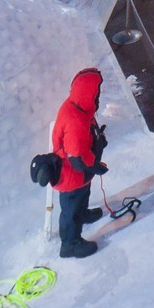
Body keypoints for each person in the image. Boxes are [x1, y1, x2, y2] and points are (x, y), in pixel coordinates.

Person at [51, 67, 109, 259]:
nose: (98, 96)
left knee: (82, 197)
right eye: (96, 93)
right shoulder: (75, 120)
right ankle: (70, 244)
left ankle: (82, 214)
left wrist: (97, 141)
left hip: (80, 178)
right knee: (71, 210)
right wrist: (95, 166)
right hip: (71, 176)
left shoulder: (79, 107)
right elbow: (77, 158)